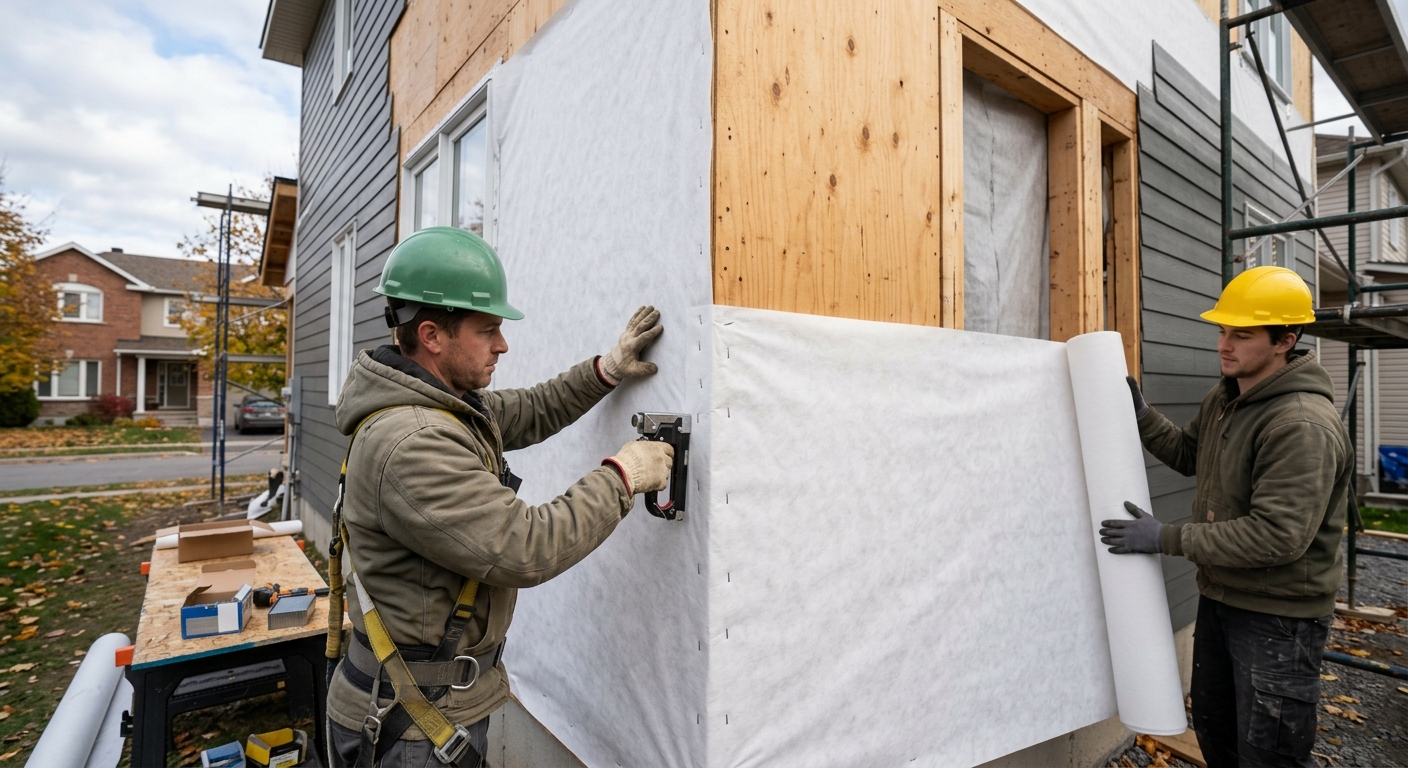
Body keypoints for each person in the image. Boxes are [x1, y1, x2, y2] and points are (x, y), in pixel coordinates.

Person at [324, 226, 675, 767]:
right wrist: (622, 476)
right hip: (412, 725)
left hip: (435, 706)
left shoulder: (444, 407)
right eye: (488, 330)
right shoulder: (412, 443)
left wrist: (607, 369)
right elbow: (526, 547)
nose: (503, 344)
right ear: (432, 335)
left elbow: (529, 409)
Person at [1100, 266, 1351, 768]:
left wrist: (1163, 537)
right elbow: (1189, 453)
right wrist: (1141, 414)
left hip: (1279, 619)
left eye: (1242, 334)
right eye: (1222, 331)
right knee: (1217, 733)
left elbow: (1277, 537)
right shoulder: (1227, 397)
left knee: (1268, 754)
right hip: (1221, 599)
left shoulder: (1299, 424)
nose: (1225, 345)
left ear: (1287, 340)